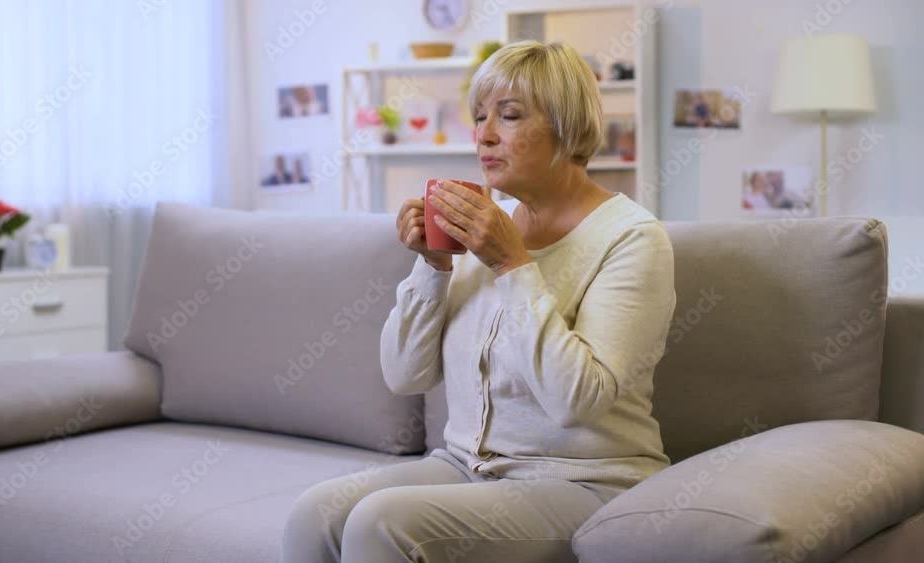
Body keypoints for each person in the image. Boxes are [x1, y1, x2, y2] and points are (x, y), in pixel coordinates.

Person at [282, 40, 677, 563]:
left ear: (567, 126)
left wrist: (513, 266)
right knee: (315, 513)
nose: (485, 135)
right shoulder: (485, 223)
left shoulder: (632, 238)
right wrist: (433, 266)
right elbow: (404, 375)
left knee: (382, 523)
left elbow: (577, 402)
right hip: (466, 465)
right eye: (480, 117)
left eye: (509, 116)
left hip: (584, 481)